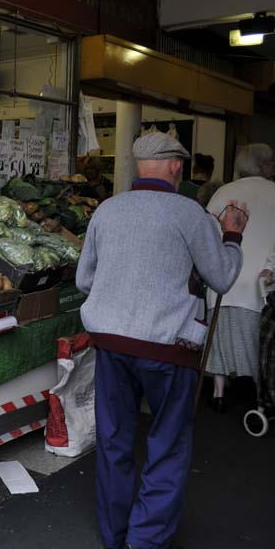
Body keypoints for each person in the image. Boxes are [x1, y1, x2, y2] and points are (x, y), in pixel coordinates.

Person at [76, 131, 246, 549]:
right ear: (174, 166)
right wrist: (232, 237)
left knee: (115, 441)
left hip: (112, 343)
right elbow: (221, 276)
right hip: (168, 348)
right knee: (167, 444)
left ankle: (114, 535)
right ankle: (146, 540)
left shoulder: (107, 211)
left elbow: (84, 281)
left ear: (138, 166)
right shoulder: (190, 214)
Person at [204, 143, 275, 412]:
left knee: (219, 339)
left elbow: (207, 235)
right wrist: (271, 267)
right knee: (261, 346)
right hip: (259, 286)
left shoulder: (224, 191)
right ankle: (261, 396)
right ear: (266, 165)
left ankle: (218, 393)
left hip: (223, 281)